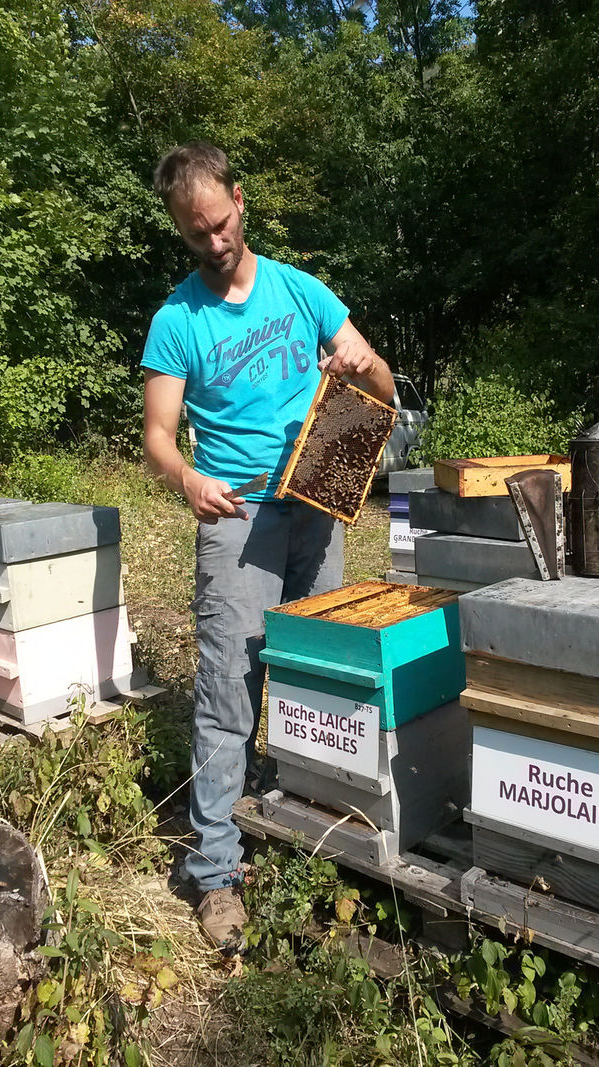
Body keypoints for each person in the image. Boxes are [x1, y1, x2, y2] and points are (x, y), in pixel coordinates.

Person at [141, 141, 394, 951]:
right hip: (238, 515)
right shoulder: (177, 319)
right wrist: (186, 478)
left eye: (219, 224)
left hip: (317, 496)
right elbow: (157, 434)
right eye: (195, 234)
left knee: (318, 671)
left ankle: (297, 821)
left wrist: (362, 362)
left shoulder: (302, 289)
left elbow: (382, 386)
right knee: (229, 686)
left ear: (240, 200)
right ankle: (215, 869)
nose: (213, 242)